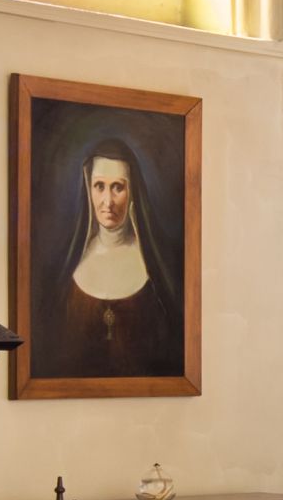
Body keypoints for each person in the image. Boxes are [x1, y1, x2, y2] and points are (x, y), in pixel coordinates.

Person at [33, 137, 182, 380]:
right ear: (88, 188)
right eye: (99, 186)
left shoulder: (160, 267)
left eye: (118, 187)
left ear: (133, 192)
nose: (108, 202)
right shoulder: (64, 267)